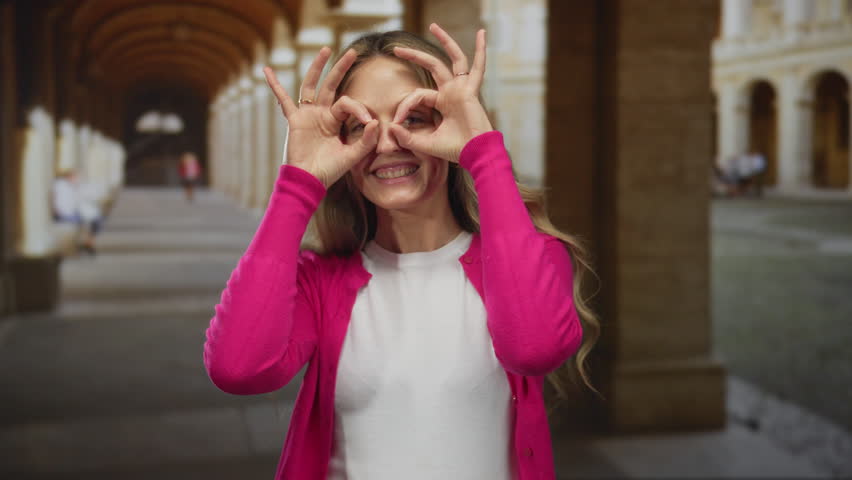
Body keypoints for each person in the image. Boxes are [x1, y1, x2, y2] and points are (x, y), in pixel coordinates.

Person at [204, 24, 600, 480]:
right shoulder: (320, 282)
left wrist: (483, 152)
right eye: (360, 126)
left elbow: (534, 348)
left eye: (414, 118)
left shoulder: (535, 258)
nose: (388, 142)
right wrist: (299, 184)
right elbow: (238, 369)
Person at [52, 169, 102, 255]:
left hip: (70, 213)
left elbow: (78, 200)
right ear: (69, 177)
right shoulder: (61, 186)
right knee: (92, 221)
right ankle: (88, 243)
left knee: (95, 219)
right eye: (74, 177)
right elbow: (64, 204)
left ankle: (88, 243)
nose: (76, 179)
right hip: (65, 215)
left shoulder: (67, 186)